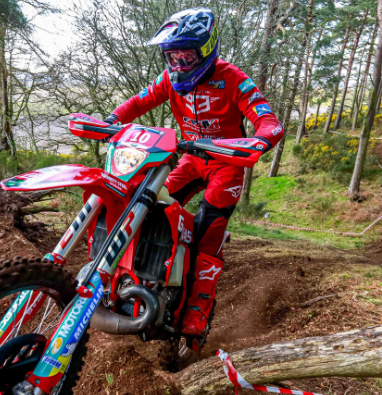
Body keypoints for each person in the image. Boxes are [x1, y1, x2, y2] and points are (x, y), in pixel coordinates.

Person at [103, 7, 283, 337]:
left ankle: (198, 307)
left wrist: (259, 140)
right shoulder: (169, 80)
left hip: (228, 162)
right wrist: (112, 120)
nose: (179, 66)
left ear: (206, 49)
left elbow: (268, 120)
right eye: (172, 58)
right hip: (190, 158)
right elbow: (139, 101)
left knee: (208, 230)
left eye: (186, 57)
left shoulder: (233, 78)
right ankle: (138, 276)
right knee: (150, 205)